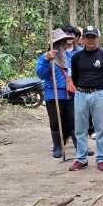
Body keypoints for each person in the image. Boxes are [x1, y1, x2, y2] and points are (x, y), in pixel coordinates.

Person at [69, 26, 103, 172]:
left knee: (100, 128)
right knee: (80, 129)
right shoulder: (77, 57)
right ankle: (81, 159)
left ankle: (101, 159)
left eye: (93, 37)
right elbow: (75, 77)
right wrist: (81, 88)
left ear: (98, 39)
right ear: (82, 39)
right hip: (81, 94)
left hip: (99, 94)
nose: (91, 40)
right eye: (88, 37)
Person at [37, 29, 75, 158]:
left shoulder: (69, 57)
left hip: (69, 94)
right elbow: (41, 74)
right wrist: (46, 60)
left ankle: (79, 146)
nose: (61, 45)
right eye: (58, 42)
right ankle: (57, 146)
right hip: (53, 95)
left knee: (72, 121)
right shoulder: (45, 57)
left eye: (63, 42)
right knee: (55, 122)